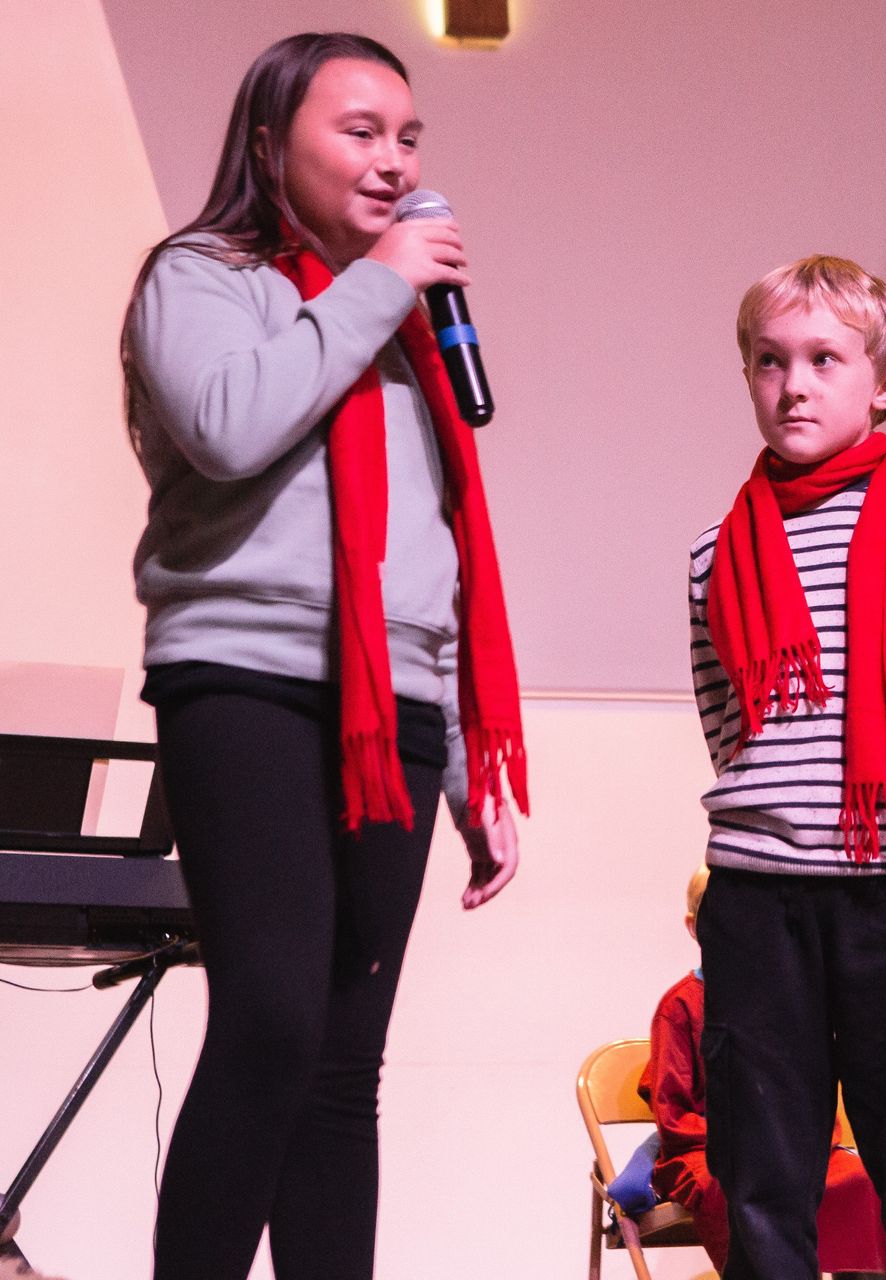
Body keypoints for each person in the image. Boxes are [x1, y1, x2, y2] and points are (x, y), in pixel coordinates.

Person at [121, 33, 527, 1280]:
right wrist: (380, 286)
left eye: (409, 138)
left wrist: (467, 759)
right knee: (269, 1016)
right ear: (267, 141)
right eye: (360, 131)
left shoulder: (401, 328)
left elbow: (427, 560)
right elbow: (232, 424)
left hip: (394, 706)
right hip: (243, 679)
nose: (394, 160)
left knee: (346, 1061)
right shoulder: (202, 275)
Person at [686, 254, 886, 1277]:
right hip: (759, 900)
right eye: (771, 361)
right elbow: (725, 718)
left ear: (885, 383)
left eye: (826, 358)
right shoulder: (713, 555)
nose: (795, 384)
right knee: (764, 1179)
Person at [638, 868, 886, 1274]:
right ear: (693, 927)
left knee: (859, 1179)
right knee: (737, 1185)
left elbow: (814, 1094)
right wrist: (750, 1138)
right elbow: (673, 1116)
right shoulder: (679, 1007)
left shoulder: (789, 999)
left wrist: (805, 1139)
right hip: (706, 1150)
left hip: (788, 1146)